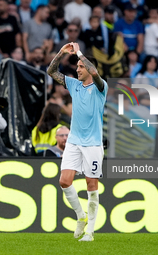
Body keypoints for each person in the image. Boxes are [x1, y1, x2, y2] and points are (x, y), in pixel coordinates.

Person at [47, 42, 108, 242]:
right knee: (64, 181)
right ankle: (80, 215)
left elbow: (93, 71)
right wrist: (62, 52)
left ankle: (90, 232)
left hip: (92, 144)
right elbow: (51, 71)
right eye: (77, 66)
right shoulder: (73, 84)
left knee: (92, 186)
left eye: (81, 67)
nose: (77, 69)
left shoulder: (101, 87)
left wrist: (80, 53)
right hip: (73, 141)